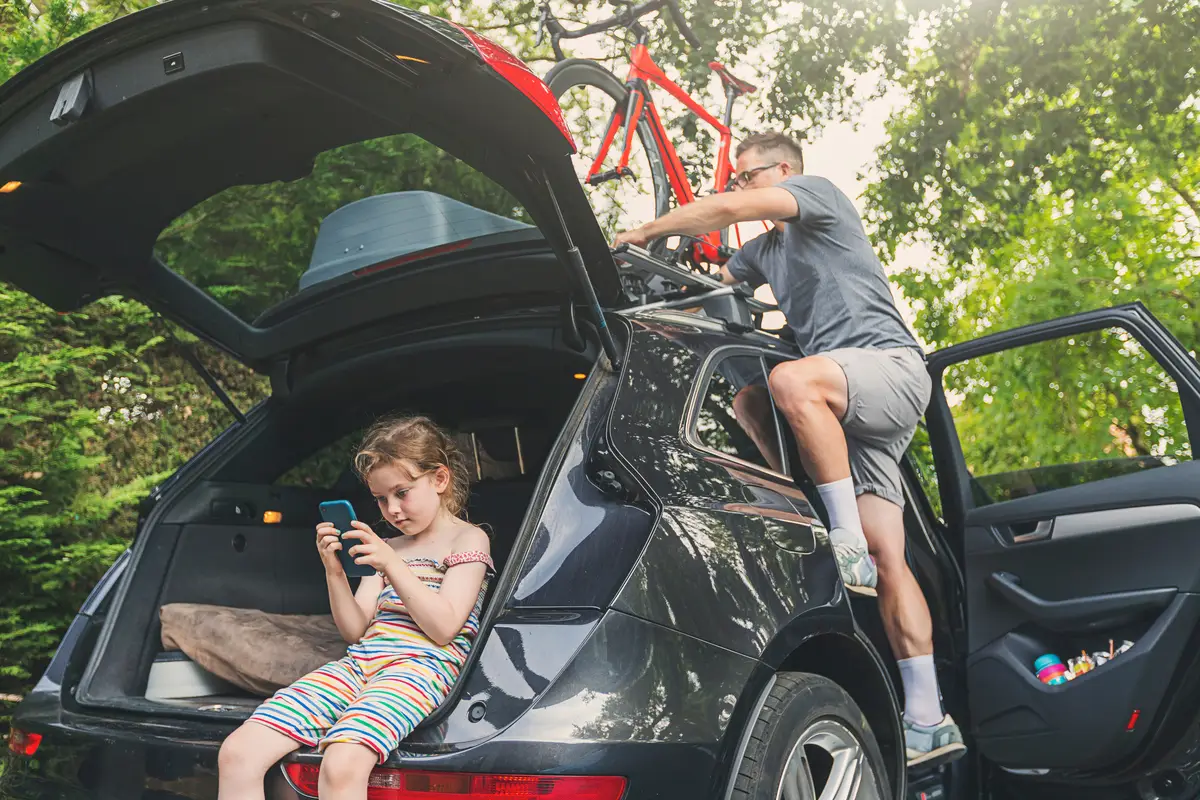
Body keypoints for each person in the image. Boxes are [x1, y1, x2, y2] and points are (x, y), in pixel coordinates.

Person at [614, 132, 966, 769]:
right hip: (849, 411)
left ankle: (841, 535)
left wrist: (646, 228)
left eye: (747, 177)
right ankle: (928, 718)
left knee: (790, 380)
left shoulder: (819, 199)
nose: (740, 187)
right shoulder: (766, 256)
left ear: (782, 172)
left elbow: (722, 212)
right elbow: (709, 287)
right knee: (759, 404)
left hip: (888, 371)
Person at [217, 416, 492, 799]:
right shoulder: (388, 546)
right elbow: (354, 630)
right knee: (237, 753)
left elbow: (444, 627)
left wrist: (391, 565)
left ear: (440, 479)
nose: (392, 509)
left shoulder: (468, 539)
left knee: (342, 764)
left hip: (420, 667)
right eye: (381, 498)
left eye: (402, 492)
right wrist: (335, 572)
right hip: (360, 664)